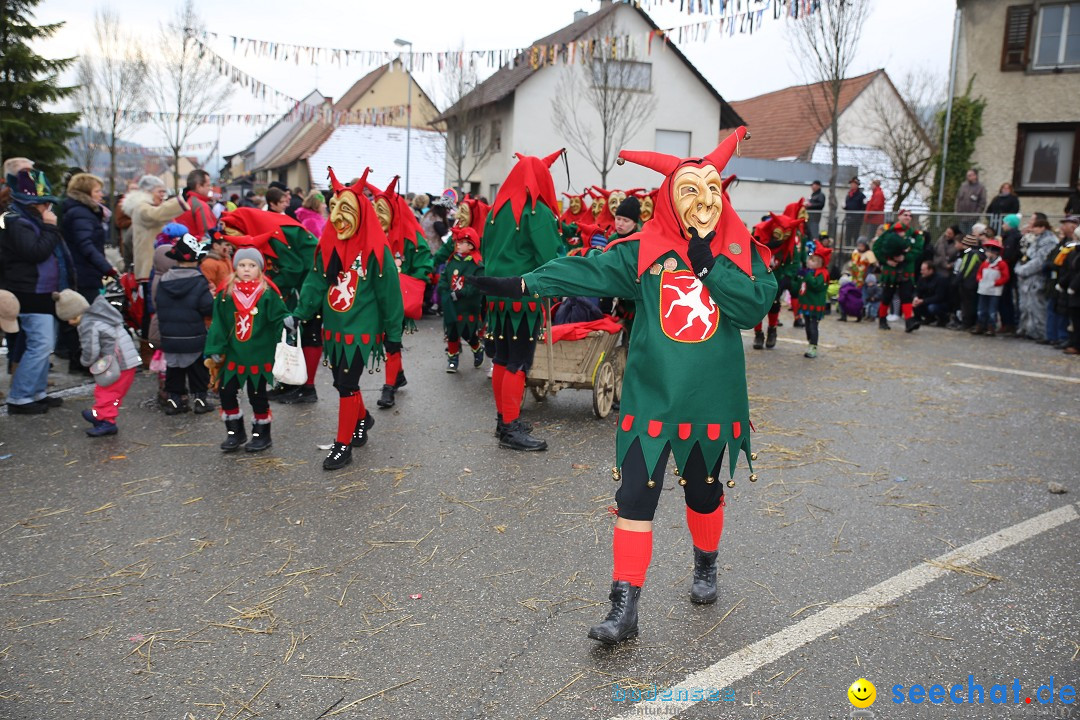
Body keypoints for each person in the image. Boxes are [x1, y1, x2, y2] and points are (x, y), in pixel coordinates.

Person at [470, 127, 776, 645]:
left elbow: (753, 309)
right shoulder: (644, 251)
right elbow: (585, 271)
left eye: (711, 191)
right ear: (669, 200)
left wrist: (710, 267)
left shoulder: (744, 252)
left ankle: (705, 564)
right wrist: (524, 283)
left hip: (709, 400)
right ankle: (624, 606)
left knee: (703, 495)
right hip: (652, 397)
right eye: (690, 191)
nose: (702, 203)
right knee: (634, 497)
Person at [290, 167, 404, 471]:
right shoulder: (328, 245)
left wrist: (393, 336)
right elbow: (315, 282)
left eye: (345, 209)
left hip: (362, 329)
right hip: (335, 328)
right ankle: (363, 418)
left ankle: (343, 446)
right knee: (342, 382)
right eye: (334, 208)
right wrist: (299, 314)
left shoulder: (376, 251)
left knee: (346, 383)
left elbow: (390, 296)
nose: (338, 216)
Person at [472, 150, 566, 452]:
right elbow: (550, 256)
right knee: (518, 361)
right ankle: (510, 428)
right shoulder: (535, 212)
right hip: (523, 298)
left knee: (501, 357)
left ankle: (504, 420)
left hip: (498, 297)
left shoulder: (497, 211)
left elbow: (485, 250)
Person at [1, 166, 75, 414]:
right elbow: (35, 252)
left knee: (44, 344)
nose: (49, 208)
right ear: (33, 203)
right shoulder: (17, 222)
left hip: (43, 292)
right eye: (45, 203)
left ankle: (37, 391)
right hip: (29, 292)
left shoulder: (27, 220)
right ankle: (20, 397)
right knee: (40, 344)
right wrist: (51, 227)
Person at [204, 248, 288, 453]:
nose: (247, 269)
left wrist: (287, 325)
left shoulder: (268, 293)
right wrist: (215, 347)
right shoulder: (227, 293)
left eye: (252, 265)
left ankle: (261, 434)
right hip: (234, 354)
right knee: (227, 391)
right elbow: (219, 323)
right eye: (242, 265)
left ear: (259, 268)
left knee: (257, 394)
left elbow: (279, 317)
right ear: (235, 267)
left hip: (260, 354)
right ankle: (235, 433)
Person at [366, 176, 436, 409]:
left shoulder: (411, 237)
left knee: (392, 341)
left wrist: (412, 282)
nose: (377, 215)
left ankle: (388, 388)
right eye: (375, 209)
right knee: (384, 339)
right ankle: (398, 375)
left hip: (398, 297)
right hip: (374, 297)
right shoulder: (369, 234)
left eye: (382, 210)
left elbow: (424, 262)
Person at [55, 290, 142, 436]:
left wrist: (85, 361)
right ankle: (103, 413)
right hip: (126, 359)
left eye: (71, 317)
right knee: (113, 391)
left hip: (117, 363)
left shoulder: (88, 324)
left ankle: (106, 420)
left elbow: (91, 349)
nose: (70, 322)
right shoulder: (102, 315)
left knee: (107, 391)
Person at [59, 173, 119, 373]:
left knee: (84, 317)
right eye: (97, 191)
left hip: (83, 271)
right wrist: (107, 267)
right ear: (85, 193)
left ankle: (81, 360)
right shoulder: (81, 213)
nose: (101, 195)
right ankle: (81, 362)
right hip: (82, 273)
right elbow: (86, 245)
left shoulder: (84, 212)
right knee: (85, 318)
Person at [155, 234, 215, 415]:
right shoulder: (198, 281)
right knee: (197, 370)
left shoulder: (164, 281)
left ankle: (175, 401)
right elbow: (207, 308)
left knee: (174, 369)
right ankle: (200, 400)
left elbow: (159, 305)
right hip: (193, 335)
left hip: (170, 336)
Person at [122, 175, 189, 326]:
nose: (162, 195)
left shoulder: (145, 206)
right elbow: (156, 215)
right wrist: (178, 201)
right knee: (150, 310)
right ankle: (148, 342)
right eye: (160, 191)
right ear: (148, 191)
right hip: (149, 268)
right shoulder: (142, 207)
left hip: (153, 266)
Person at [751, 201, 805, 349]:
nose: (781, 238)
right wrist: (767, 246)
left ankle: (772, 330)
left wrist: (787, 276)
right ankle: (758, 333)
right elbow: (749, 252)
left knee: (774, 304)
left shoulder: (790, 242)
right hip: (759, 274)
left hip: (776, 275)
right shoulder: (759, 233)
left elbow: (793, 259)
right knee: (758, 304)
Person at [437, 226, 486, 372]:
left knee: (467, 333)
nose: (458, 244)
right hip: (452, 304)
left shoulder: (477, 264)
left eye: (462, 242)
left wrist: (461, 293)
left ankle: (477, 349)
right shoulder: (452, 260)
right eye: (457, 242)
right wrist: (444, 289)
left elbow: (477, 284)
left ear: (470, 245)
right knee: (451, 331)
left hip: (467, 305)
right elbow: (445, 277)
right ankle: (453, 359)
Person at [871, 209, 926, 332]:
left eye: (910, 215)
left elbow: (917, 250)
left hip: (906, 269)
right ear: (899, 217)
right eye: (905, 215)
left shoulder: (915, 234)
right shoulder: (889, 232)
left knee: (906, 296)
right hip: (891, 270)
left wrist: (905, 257)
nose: (908, 217)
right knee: (887, 295)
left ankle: (909, 322)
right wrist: (886, 261)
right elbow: (877, 247)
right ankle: (882, 320)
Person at [1015, 214, 1058, 341]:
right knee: (1026, 306)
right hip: (1027, 278)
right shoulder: (1035, 239)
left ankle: (1041, 332)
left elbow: (1039, 261)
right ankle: (1028, 329)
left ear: (1043, 227)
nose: (1032, 229)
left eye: (1035, 227)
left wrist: (1023, 270)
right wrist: (1020, 268)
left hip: (1037, 278)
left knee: (1038, 307)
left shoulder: (1049, 241)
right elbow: (1027, 256)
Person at [973, 236, 1010, 336]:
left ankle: (991, 327)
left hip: (994, 290)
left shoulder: (1001, 264)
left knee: (992, 310)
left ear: (995, 252)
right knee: (981, 309)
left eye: (989, 251)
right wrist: (980, 279)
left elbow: (1005, 277)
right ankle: (980, 325)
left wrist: (996, 283)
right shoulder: (985, 263)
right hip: (983, 289)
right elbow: (979, 273)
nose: (987, 253)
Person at [797, 247, 829, 357]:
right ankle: (810, 342)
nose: (809, 261)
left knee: (813, 326)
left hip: (815, 305)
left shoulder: (822, 274)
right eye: (810, 259)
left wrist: (807, 276)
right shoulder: (811, 272)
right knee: (807, 326)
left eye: (813, 260)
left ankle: (813, 346)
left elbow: (816, 285)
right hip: (807, 303)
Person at [998, 213, 1023, 335]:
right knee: (1005, 298)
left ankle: (1009, 323)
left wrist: (1002, 261)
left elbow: (1009, 255)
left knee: (1006, 298)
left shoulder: (1012, 238)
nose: (1003, 225)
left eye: (1004, 223)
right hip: (1007, 270)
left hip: (1008, 271)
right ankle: (1006, 323)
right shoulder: (1009, 237)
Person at [954, 232, 985, 330]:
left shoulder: (971, 253)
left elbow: (966, 269)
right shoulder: (978, 253)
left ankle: (966, 323)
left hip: (968, 283)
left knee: (967, 304)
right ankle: (969, 322)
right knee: (970, 303)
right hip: (972, 283)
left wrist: (958, 279)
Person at [174, 169, 216, 239]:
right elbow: (208, 236)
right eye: (208, 185)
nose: (210, 188)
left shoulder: (182, 203)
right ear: (199, 186)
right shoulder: (200, 206)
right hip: (197, 247)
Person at [1057, 226, 1080, 355]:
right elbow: (1070, 271)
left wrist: (1073, 286)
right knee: (1073, 318)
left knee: (1077, 319)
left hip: (1077, 291)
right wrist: (1062, 284)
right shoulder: (1074, 252)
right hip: (1072, 290)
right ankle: (1073, 341)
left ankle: (1077, 344)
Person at [913, 260, 949, 327]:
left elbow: (939, 297)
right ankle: (927, 318)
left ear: (930, 270)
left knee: (932, 308)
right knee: (914, 303)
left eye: (924, 270)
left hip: (939, 303)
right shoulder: (921, 278)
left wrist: (923, 301)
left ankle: (943, 319)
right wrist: (916, 297)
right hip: (926, 300)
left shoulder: (940, 279)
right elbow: (917, 290)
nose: (921, 272)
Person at [954, 169, 986, 233]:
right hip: (962, 217)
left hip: (973, 218)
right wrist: (956, 211)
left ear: (975, 176)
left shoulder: (980, 187)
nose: (968, 177)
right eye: (967, 175)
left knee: (970, 236)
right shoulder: (963, 186)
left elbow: (982, 202)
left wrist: (977, 214)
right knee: (962, 235)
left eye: (970, 175)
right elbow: (958, 199)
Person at [843, 177, 866, 246]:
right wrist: (845, 207)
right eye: (851, 184)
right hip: (849, 218)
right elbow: (848, 206)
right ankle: (847, 247)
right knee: (848, 235)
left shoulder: (862, 196)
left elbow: (863, 207)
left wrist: (859, 216)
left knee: (856, 235)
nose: (852, 185)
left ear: (857, 185)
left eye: (853, 184)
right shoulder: (849, 195)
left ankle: (855, 248)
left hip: (857, 219)